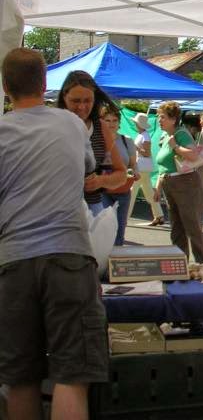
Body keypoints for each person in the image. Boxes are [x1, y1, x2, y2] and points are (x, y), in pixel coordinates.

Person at [0, 48, 108, 420]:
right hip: (69, 256)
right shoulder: (71, 125)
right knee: (72, 374)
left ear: (4, 88)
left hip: (13, 262)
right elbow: (88, 171)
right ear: (46, 85)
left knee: (20, 378)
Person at [57, 70, 127, 214]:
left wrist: (101, 181)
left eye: (87, 101)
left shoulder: (100, 127)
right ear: (64, 97)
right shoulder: (52, 124)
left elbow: (121, 174)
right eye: (75, 101)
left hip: (91, 208)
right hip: (57, 209)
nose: (81, 107)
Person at [153, 102, 203, 262]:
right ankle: (180, 265)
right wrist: (157, 188)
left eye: (162, 117)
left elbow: (193, 155)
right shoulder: (165, 136)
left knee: (192, 227)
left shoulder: (180, 134)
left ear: (173, 119)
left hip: (185, 183)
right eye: (159, 117)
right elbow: (163, 166)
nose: (159, 120)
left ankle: (202, 265)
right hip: (169, 183)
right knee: (176, 228)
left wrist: (175, 147)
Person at [100, 106, 138, 246]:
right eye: (107, 120)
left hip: (123, 189)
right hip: (102, 190)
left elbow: (133, 164)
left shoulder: (126, 140)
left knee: (120, 230)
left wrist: (135, 172)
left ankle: (116, 264)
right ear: (102, 122)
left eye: (114, 120)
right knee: (104, 229)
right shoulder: (96, 141)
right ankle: (103, 263)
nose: (111, 124)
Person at [128, 112, 165, 226]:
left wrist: (136, 148)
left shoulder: (145, 136)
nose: (135, 124)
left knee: (132, 192)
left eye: (136, 123)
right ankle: (159, 216)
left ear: (139, 124)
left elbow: (147, 153)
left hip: (141, 167)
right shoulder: (143, 135)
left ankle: (124, 217)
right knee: (148, 192)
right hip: (143, 167)